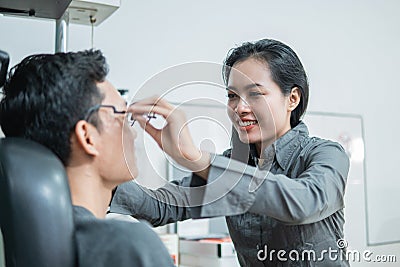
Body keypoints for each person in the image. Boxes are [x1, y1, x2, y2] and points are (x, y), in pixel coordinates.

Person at [110, 39, 350, 266]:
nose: (240, 108)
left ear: (293, 99)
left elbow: (304, 203)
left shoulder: (326, 154)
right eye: (232, 96)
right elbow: (157, 208)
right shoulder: (230, 164)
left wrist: (198, 159)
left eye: (255, 94)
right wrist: (97, 168)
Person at [0, 50, 174, 267]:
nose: (134, 132)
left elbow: (164, 205)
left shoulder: (27, 238)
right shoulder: (126, 246)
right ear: (87, 137)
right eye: (122, 116)